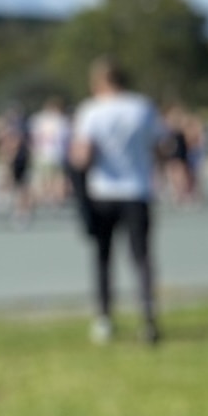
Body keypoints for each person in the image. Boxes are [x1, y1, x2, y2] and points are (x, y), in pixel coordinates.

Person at [69, 58, 162, 345]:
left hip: (103, 191)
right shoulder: (142, 107)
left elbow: (81, 156)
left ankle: (104, 317)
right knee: (141, 257)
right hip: (137, 189)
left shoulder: (92, 111)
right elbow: (161, 144)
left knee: (103, 257)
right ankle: (148, 318)